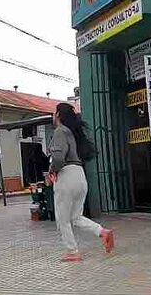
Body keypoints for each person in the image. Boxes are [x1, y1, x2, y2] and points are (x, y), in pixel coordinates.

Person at [48, 103, 113, 262]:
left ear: (58, 115)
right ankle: (102, 232)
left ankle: (72, 251)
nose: (52, 116)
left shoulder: (60, 131)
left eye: (53, 113)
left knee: (62, 219)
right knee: (76, 217)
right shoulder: (74, 134)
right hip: (79, 175)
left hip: (66, 175)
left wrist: (52, 171)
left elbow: (57, 157)